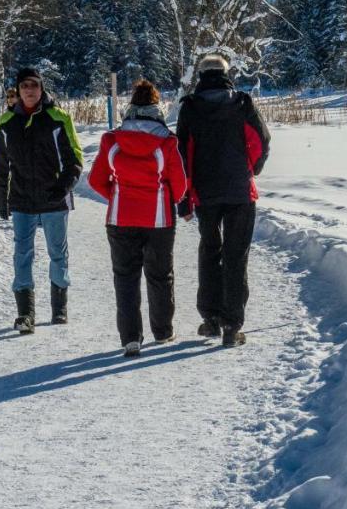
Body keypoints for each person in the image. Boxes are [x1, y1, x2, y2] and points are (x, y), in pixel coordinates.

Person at [175, 53, 270, 348]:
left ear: (201, 76)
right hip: (240, 191)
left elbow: (182, 154)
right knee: (235, 255)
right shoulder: (242, 103)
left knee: (209, 250)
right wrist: (250, 169)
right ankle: (232, 324)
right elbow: (261, 141)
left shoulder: (190, 107)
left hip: (205, 192)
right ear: (227, 73)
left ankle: (211, 318)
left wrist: (185, 196)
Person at [87, 80, 188, 357]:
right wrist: (165, 197)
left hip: (120, 218)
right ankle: (163, 331)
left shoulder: (112, 140)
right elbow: (179, 187)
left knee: (125, 277)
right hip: (159, 219)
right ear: (157, 108)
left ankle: (131, 338)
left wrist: (117, 194)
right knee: (159, 275)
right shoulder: (167, 142)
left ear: (130, 107)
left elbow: (96, 180)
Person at [0, 67, 84, 334]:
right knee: (22, 254)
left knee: (58, 253)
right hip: (21, 200)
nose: (29, 90)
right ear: (18, 91)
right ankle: (25, 314)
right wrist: (1, 199)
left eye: (34, 85)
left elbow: (75, 159)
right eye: (24, 86)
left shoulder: (58, 118)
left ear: (41, 88)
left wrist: (63, 187)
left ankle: (59, 308)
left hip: (54, 198)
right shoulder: (7, 123)